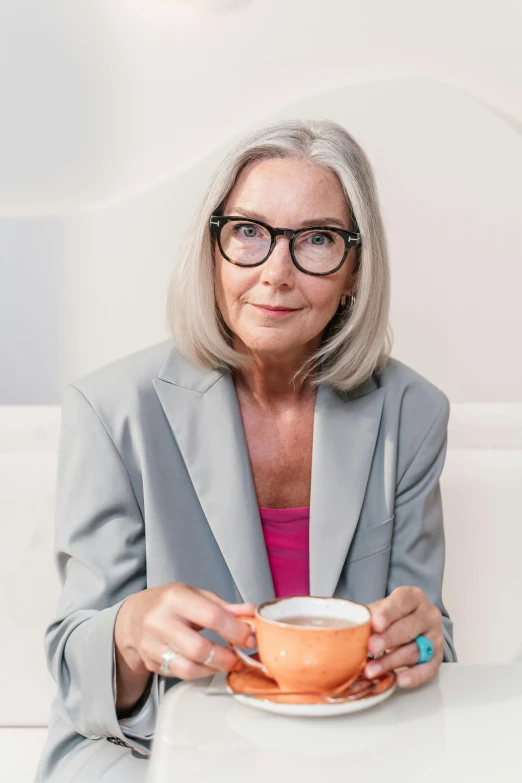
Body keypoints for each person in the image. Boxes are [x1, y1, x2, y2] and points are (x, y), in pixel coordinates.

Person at [36, 118, 456, 782]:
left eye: (317, 240)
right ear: (213, 249)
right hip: (154, 755)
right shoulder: (112, 409)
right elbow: (73, 670)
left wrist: (426, 639)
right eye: (249, 234)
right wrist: (129, 633)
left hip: (340, 759)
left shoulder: (412, 412)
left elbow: (427, 643)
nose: (277, 273)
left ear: (354, 269)